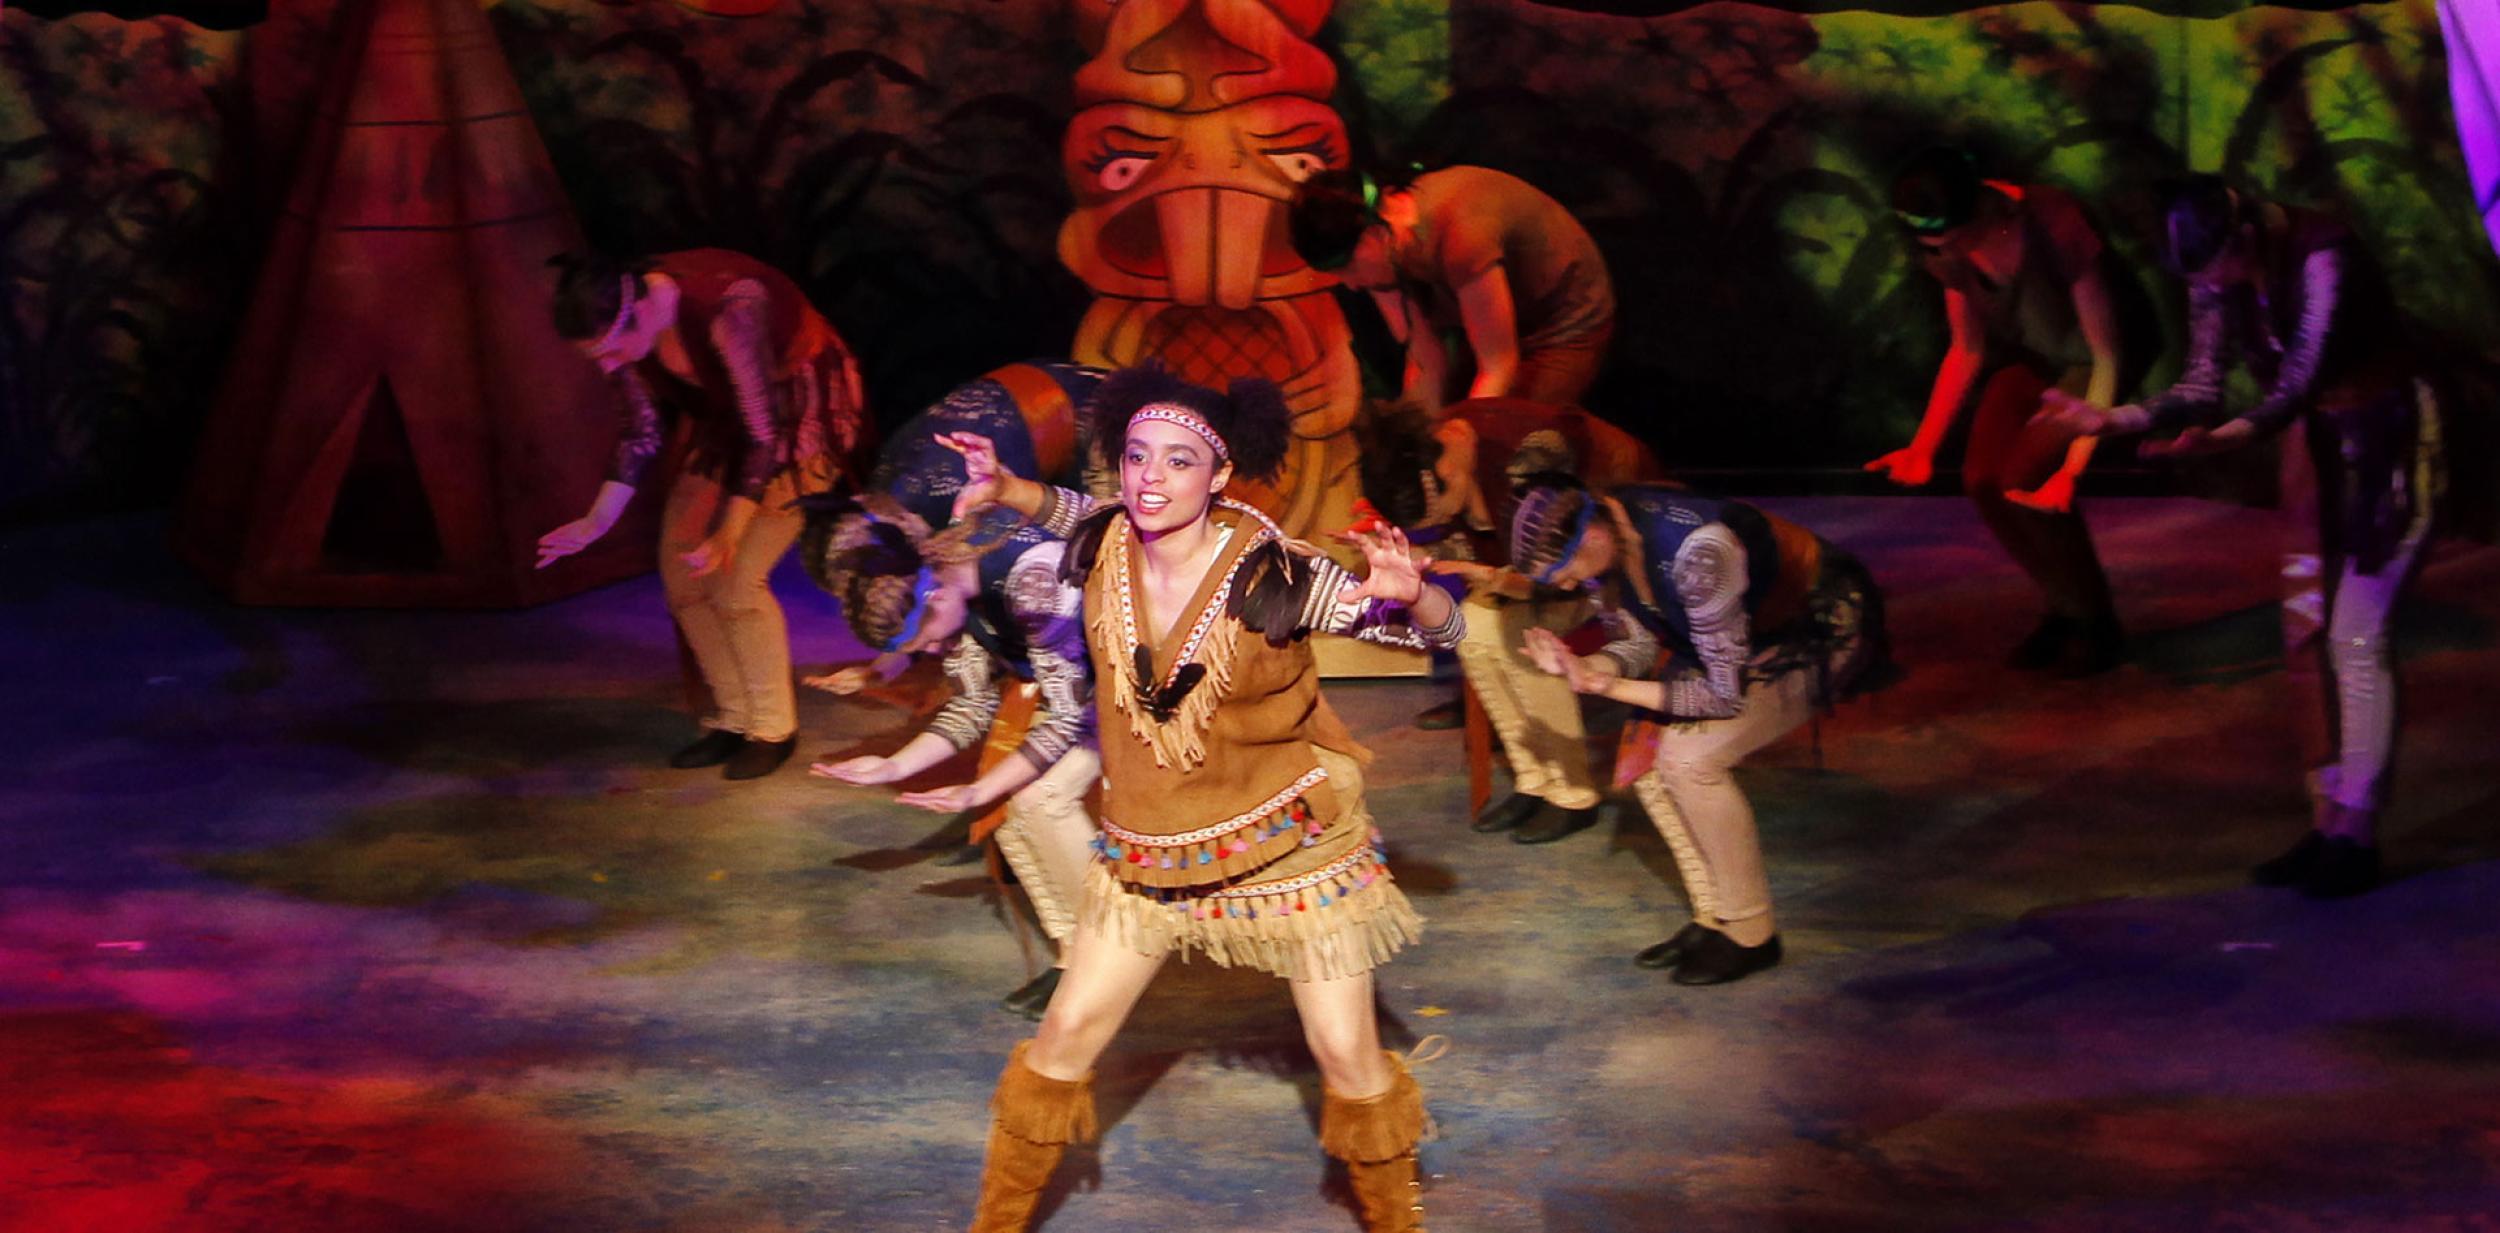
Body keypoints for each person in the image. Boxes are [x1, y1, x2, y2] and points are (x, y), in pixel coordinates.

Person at [948, 365, 1463, 1233]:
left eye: (1179, 461)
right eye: (1137, 456)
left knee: (1346, 1051)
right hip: (1148, 850)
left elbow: (1439, 631)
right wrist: (1005, 488)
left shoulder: (1280, 575)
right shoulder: (1108, 536)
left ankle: (1396, 1219)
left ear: (1219, 475)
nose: (1150, 478)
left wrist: (1418, 597)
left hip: (1292, 848)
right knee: (1063, 1037)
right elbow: (1066, 509)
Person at [2036, 177, 2446, 898]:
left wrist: (2217, 442)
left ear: (2247, 237)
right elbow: (2202, 383)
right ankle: (2331, 823)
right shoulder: (2217, 270)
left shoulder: (2324, 254)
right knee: (2311, 629)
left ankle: (2356, 832)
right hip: (2319, 446)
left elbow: (2294, 382)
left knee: (2357, 632)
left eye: (2218, 268)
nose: (2212, 286)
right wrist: (2120, 419)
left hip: (2389, 439)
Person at [801, 362, 1109, 1019]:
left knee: (1040, 797)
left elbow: (1065, 714)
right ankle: (1076, 953)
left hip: (1138, 673)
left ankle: (1114, 959)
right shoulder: (954, 588)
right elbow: (971, 703)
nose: (932, 654)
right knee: (1008, 812)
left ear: (930, 589)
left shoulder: (1027, 578)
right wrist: (893, 763)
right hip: (1071, 683)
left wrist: (976, 785)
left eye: (925, 639)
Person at [1510, 477, 1886, 985]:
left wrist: (1602, 686)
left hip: (1819, 622)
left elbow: (1722, 696)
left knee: (1691, 759)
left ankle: (1752, 934)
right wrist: (1584, 665)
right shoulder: (1612, 546)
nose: (1568, 586)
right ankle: (1716, 918)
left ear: (1590, 537)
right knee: (1649, 761)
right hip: (1736, 642)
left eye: (1563, 571)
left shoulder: (1698, 552)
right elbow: (1638, 646)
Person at [535, 249, 872, 779]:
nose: (607, 364)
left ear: (638, 314)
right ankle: (732, 720)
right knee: (680, 568)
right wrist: (595, 521)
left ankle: (771, 728)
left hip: (798, 417)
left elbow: (764, 436)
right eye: (595, 356)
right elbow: (641, 431)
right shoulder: (630, 337)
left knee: (736, 578)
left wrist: (730, 534)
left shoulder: (729, 310)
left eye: (609, 349)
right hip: (727, 423)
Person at [1865, 149, 2128, 676]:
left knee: (2028, 476)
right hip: (2036, 357)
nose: (1946, 253)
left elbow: (2107, 355)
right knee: (1983, 479)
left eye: (1953, 239)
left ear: (1982, 209)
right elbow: (1967, 348)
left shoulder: (2053, 224)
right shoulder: (1946, 249)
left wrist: (2075, 465)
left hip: (2091, 357)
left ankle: (2095, 622)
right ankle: (2065, 606)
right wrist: (1923, 448)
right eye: (1934, 245)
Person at [1357, 397, 1666, 842]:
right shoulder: (1439, 457)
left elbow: (1567, 560)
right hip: (1537, 576)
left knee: (1523, 640)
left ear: (1445, 475)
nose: (1444, 520)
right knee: (1473, 628)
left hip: (1607, 565)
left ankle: (1574, 793)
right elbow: (1478, 546)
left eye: (1440, 513)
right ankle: (1535, 779)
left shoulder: (1531, 452)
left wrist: (1488, 574)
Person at [1290, 165, 1615, 413]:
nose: (1352, 284)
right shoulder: (1379, 250)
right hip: (1502, 325)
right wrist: (1414, 443)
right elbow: (1427, 362)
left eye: (1346, 268)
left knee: (1509, 439)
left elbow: (1499, 367)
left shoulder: (1459, 233)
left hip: (1565, 322)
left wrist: (1460, 442)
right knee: (1446, 423)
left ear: (1371, 233)